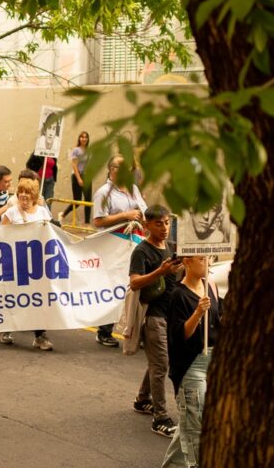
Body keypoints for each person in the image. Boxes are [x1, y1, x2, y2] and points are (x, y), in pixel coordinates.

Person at [161, 255, 221, 468]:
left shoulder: (210, 285)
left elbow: (217, 321)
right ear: (187, 262)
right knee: (197, 428)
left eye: (209, 258)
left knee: (190, 423)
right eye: (201, 258)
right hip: (191, 366)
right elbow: (179, 335)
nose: (207, 262)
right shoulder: (178, 294)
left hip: (212, 362)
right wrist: (198, 312)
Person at [128, 205, 182, 438]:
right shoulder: (142, 251)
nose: (164, 227)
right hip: (154, 316)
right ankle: (160, 417)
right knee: (161, 365)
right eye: (159, 223)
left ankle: (142, 400)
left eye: (167, 222)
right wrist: (160, 272)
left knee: (158, 362)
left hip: (173, 315)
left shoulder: (172, 248)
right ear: (147, 225)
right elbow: (135, 283)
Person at [92, 154, 147, 347]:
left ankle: (135, 331)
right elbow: (98, 220)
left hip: (134, 243)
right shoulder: (103, 193)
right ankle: (104, 330)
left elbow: (143, 210)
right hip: (114, 246)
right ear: (112, 170)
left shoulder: (133, 190)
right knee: (114, 286)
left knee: (135, 286)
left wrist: (143, 218)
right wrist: (125, 215)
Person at [0, 178, 54, 350]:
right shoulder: (12, 213)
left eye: (27, 192)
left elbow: (50, 234)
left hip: (37, 264)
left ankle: (39, 335)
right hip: (16, 262)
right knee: (14, 296)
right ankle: (5, 329)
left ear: (34, 195)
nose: (23, 195)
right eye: (21, 192)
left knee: (37, 299)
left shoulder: (43, 212)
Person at [59, 131, 92, 225]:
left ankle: (87, 223)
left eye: (86, 137)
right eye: (82, 137)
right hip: (77, 175)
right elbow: (74, 165)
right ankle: (63, 215)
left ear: (88, 139)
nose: (84, 139)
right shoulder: (76, 150)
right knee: (77, 201)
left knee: (88, 200)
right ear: (79, 139)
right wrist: (79, 178)